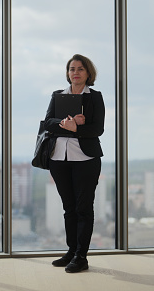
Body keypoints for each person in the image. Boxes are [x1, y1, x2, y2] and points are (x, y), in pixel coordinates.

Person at [43, 54, 105, 273]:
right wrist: (67, 125)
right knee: (68, 208)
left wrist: (77, 129)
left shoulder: (94, 97)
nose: (75, 72)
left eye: (80, 69)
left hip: (86, 160)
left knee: (83, 209)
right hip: (59, 159)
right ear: (68, 73)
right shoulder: (58, 95)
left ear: (88, 73)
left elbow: (98, 129)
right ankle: (71, 251)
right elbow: (47, 123)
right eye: (72, 69)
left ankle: (81, 256)